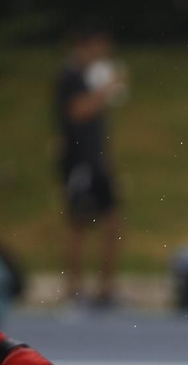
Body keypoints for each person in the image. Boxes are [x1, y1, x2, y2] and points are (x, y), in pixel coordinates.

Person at [55, 25, 127, 308]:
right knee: (79, 222)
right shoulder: (70, 74)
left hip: (96, 160)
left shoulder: (90, 74)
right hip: (78, 161)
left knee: (113, 222)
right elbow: (76, 112)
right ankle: (74, 287)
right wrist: (105, 91)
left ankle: (105, 288)